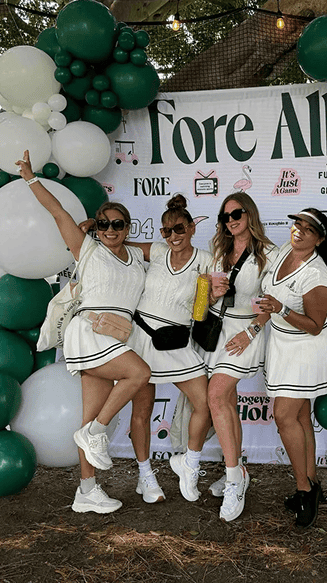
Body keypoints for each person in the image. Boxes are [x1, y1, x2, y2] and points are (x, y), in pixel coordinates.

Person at [16, 151, 151, 515]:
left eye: (118, 224)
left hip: (118, 334)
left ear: (128, 227)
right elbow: (58, 211)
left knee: (89, 418)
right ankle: (95, 434)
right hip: (90, 330)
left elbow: (177, 252)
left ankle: (86, 491)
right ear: (95, 227)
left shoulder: (137, 256)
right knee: (139, 374)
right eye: (104, 224)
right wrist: (31, 178)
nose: (110, 230)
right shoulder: (87, 250)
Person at [258, 208, 327, 528]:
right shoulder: (285, 251)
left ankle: (304, 491)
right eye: (296, 224)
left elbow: (316, 325)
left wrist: (280, 308)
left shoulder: (316, 274)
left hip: (305, 349)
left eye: (308, 229)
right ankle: (312, 483)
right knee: (301, 417)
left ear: (319, 239)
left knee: (284, 415)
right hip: (283, 344)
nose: (298, 231)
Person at [126, 195, 213, 504]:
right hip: (141, 337)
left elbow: (201, 310)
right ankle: (145, 475)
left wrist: (210, 294)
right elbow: (119, 243)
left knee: (206, 403)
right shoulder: (158, 251)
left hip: (175, 341)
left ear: (191, 228)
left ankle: (189, 462)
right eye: (166, 231)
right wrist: (92, 230)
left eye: (178, 229)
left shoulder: (205, 260)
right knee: (142, 411)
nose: (173, 237)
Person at [199, 192, 278, 522]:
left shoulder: (269, 254)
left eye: (236, 213)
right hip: (218, 332)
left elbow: (273, 302)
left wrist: (252, 333)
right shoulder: (219, 251)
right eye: (225, 216)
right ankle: (237, 470)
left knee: (215, 396)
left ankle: (234, 481)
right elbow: (202, 296)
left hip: (245, 335)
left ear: (250, 213)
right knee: (226, 403)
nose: (230, 220)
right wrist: (208, 290)